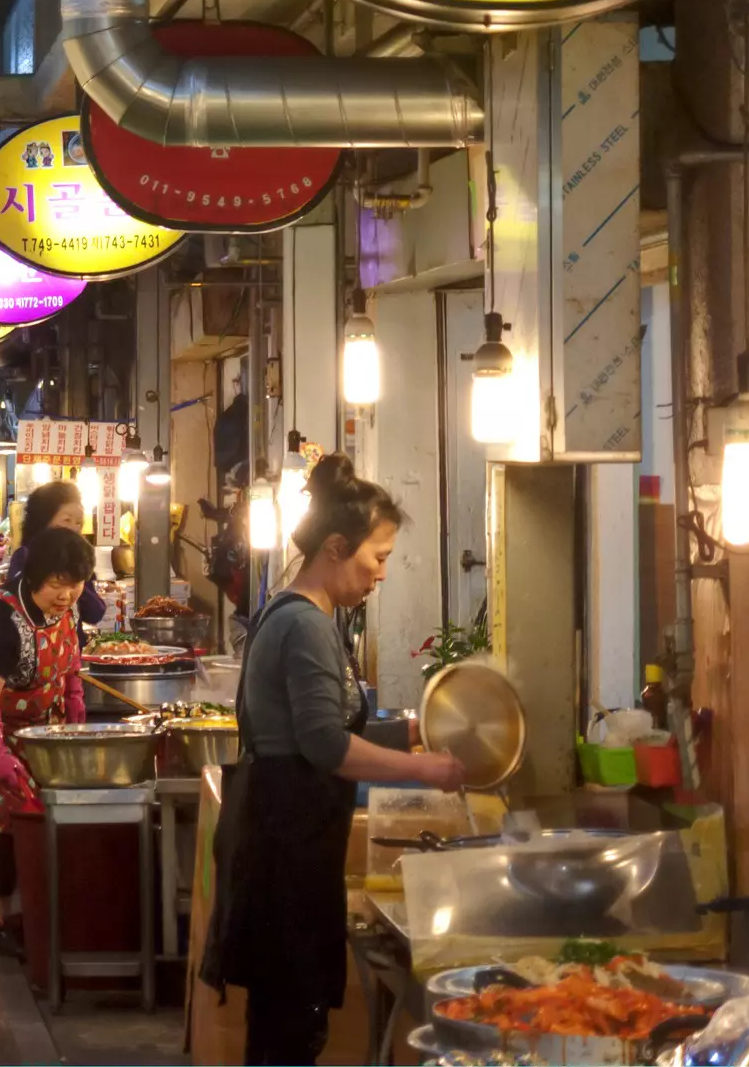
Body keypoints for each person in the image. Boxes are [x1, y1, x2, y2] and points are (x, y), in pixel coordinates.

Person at [210, 454, 466, 1065]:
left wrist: (408, 734)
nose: (381, 575)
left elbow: (327, 724)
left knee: (284, 1025)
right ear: (334, 547)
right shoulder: (306, 626)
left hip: (290, 841)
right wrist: (425, 770)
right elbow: (324, 744)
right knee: (288, 1031)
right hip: (284, 849)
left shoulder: (310, 616)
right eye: (375, 558)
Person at [0, 526, 95, 957]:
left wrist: (74, 699)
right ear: (33, 577)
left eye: (75, 585)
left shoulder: (68, 608)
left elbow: (70, 661)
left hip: (40, 718)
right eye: (56, 585)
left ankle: (39, 908)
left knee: (42, 805)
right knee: (0, 809)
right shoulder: (2, 619)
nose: (66, 595)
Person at [4, 480, 107, 626]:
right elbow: (15, 606)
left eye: (78, 522)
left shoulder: (77, 561)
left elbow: (95, 612)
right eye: (67, 520)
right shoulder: (26, 556)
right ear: (42, 521)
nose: (74, 529)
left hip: (70, 646)